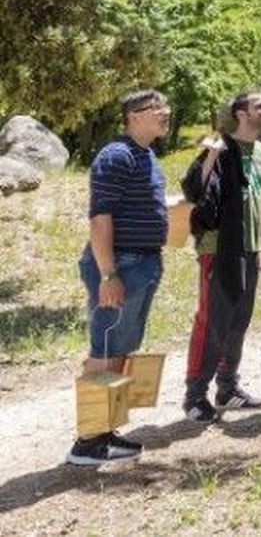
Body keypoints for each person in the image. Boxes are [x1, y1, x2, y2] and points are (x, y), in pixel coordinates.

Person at [68, 89, 171, 466]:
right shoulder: (116, 155)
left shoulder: (146, 156)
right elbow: (100, 219)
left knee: (120, 347)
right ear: (134, 115)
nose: (166, 112)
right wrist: (108, 272)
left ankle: (105, 432)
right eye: (157, 108)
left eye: (164, 106)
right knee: (105, 347)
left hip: (141, 264)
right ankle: (88, 442)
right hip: (119, 266)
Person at [181, 92, 261, 422]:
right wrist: (210, 155)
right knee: (213, 322)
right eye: (259, 106)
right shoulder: (218, 146)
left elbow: (260, 199)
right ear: (240, 113)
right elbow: (193, 189)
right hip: (218, 248)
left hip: (248, 248)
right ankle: (195, 395)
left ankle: (227, 387)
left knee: (238, 321)